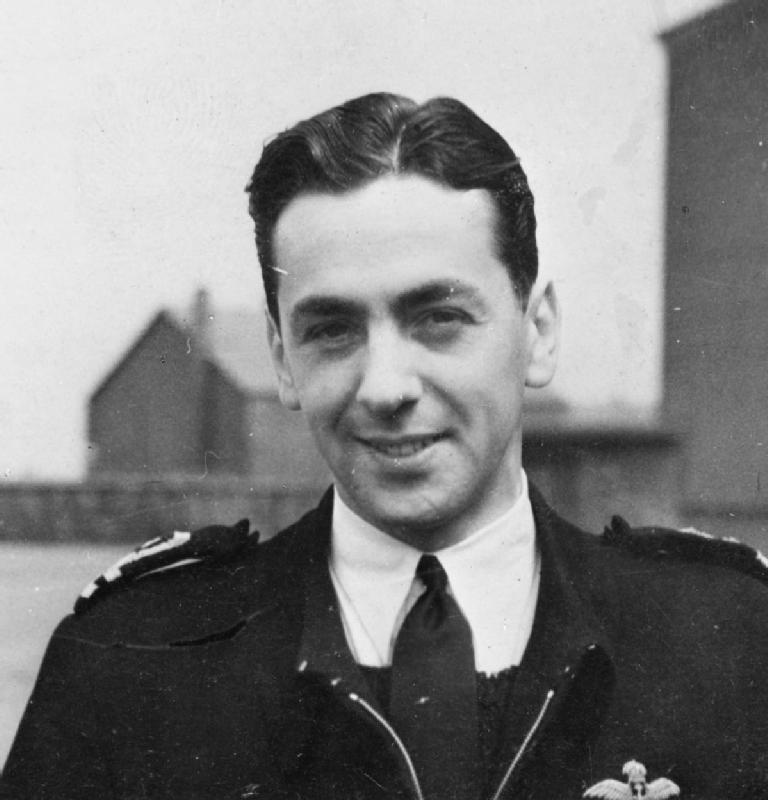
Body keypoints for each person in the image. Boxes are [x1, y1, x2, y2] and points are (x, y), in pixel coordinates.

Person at [3, 92, 768, 800]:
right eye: (331, 330)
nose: (385, 387)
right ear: (280, 359)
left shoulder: (733, 644)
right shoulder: (129, 661)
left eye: (437, 317)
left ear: (537, 332)